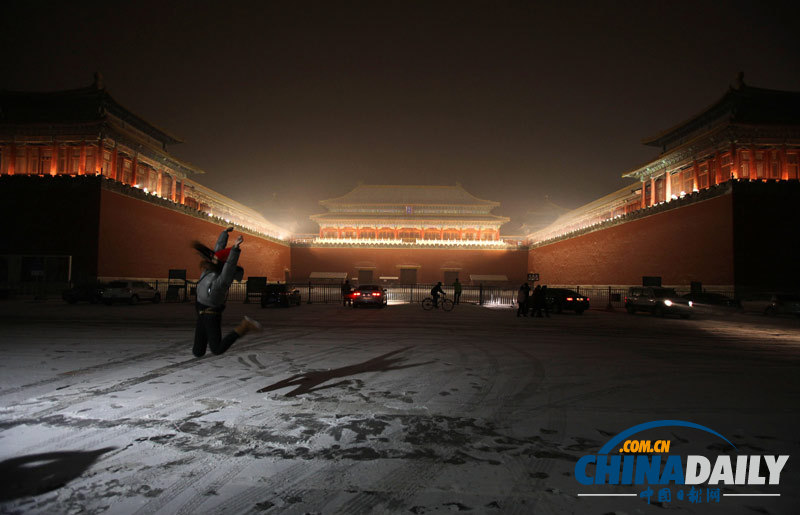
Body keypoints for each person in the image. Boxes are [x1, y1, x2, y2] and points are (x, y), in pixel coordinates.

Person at [192, 227, 262, 357]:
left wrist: (235, 248)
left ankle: (244, 327)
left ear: (220, 264)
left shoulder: (222, 280)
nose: (212, 259)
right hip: (200, 312)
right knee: (198, 352)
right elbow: (218, 250)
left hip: (211, 314)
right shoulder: (208, 271)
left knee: (217, 349)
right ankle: (243, 326)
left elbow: (229, 265)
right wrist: (224, 233)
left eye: (215, 259)